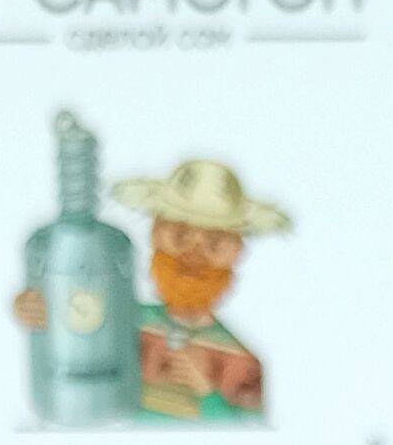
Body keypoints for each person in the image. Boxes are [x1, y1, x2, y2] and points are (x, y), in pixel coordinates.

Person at [105, 154, 290, 424]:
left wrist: (207, 391)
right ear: (156, 234)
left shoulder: (243, 363)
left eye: (214, 242)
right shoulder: (122, 321)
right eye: (180, 234)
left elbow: (251, 439)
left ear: (235, 251)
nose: (194, 254)